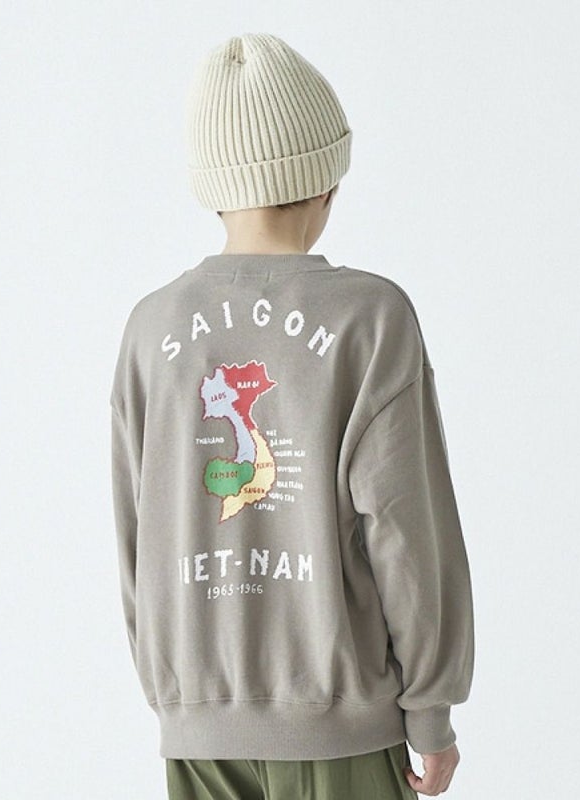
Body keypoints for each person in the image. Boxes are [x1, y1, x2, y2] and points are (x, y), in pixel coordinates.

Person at [109, 32, 475, 799]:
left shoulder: (151, 328)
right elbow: (406, 532)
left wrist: (178, 697)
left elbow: (137, 534)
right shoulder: (370, 319)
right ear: (325, 179)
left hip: (199, 731)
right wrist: (430, 711)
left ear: (212, 185)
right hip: (341, 726)